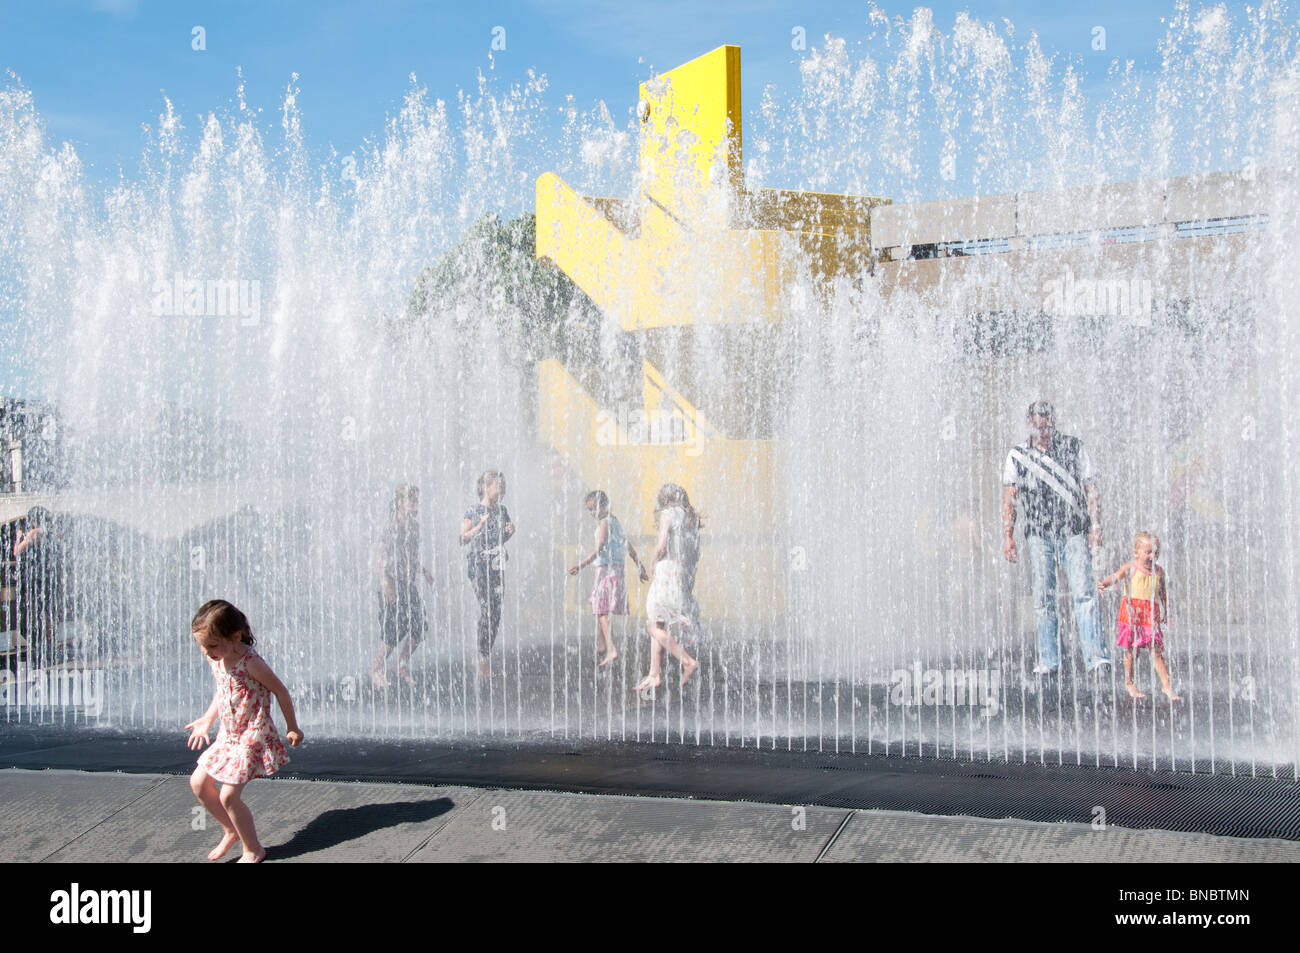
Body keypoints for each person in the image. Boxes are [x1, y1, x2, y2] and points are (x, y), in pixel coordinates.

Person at [185, 599, 302, 863]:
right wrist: (207, 719)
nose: (206, 652)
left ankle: (253, 849)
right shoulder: (219, 657)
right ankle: (231, 829)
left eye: (212, 645)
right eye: (202, 645)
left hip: (252, 735)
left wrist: (292, 727)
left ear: (235, 636)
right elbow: (223, 691)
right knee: (199, 783)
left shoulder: (251, 663)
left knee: (228, 795)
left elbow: (281, 691)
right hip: (229, 735)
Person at [1002, 401, 1111, 675]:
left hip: (1073, 531)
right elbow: (1010, 498)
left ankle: (1096, 658)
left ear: (1053, 421)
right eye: (1039, 425)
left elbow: (1091, 488)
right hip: (1038, 535)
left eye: (1047, 424)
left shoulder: (1074, 447)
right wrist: (1008, 536)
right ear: (1030, 423)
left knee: (1084, 593)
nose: (1044, 430)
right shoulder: (1018, 455)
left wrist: (1095, 525)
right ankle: (1050, 660)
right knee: (1043, 598)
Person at [568, 490, 649, 668]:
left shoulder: (605, 523)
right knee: (600, 608)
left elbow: (600, 547)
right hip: (617, 570)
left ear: (604, 505)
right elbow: (628, 546)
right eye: (589, 509)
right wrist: (639, 566)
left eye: (594, 508)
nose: (592, 513)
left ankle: (611, 649)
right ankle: (601, 645)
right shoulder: (616, 522)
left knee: (601, 611)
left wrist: (581, 565)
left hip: (605, 570)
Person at [633, 483, 701, 692]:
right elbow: (696, 552)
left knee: (652, 626)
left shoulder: (667, 514)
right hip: (682, 573)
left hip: (666, 571)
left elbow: (662, 544)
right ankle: (654, 674)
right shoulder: (692, 519)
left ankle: (688, 661)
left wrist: (652, 562)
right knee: (658, 623)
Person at [1098, 532, 1180, 701]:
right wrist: (1103, 584)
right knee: (1131, 651)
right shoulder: (1130, 568)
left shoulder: (1159, 572)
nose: (1152, 556)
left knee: (1155, 651)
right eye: (1148, 552)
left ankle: (1166, 686)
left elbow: (1162, 592)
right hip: (1131, 614)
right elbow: (1116, 576)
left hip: (1150, 615)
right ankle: (1129, 682)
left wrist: (1165, 609)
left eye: (1156, 553)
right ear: (1137, 552)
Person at [370, 485, 435, 689]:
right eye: (412, 500)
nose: (416, 505)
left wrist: (423, 571)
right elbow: (377, 557)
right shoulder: (391, 528)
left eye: (417, 500)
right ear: (400, 503)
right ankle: (376, 669)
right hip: (392, 582)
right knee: (393, 629)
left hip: (407, 583)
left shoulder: (414, 528)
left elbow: (411, 556)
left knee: (420, 625)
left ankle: (400, 664)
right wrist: (385, 582)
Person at [459, 470, 514, 678]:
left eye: (504, 486)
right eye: (499, 486)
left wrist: (510, 532)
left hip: (497, 567)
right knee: (488, 610)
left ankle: (483, 655)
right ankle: (482, 661)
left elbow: (498, 539)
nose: (503, 490)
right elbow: (462, 538)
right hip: (479, 568)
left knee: (496, 615)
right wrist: (478, 527)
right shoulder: (473, 511)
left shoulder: (503, 511)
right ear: (485, 487)